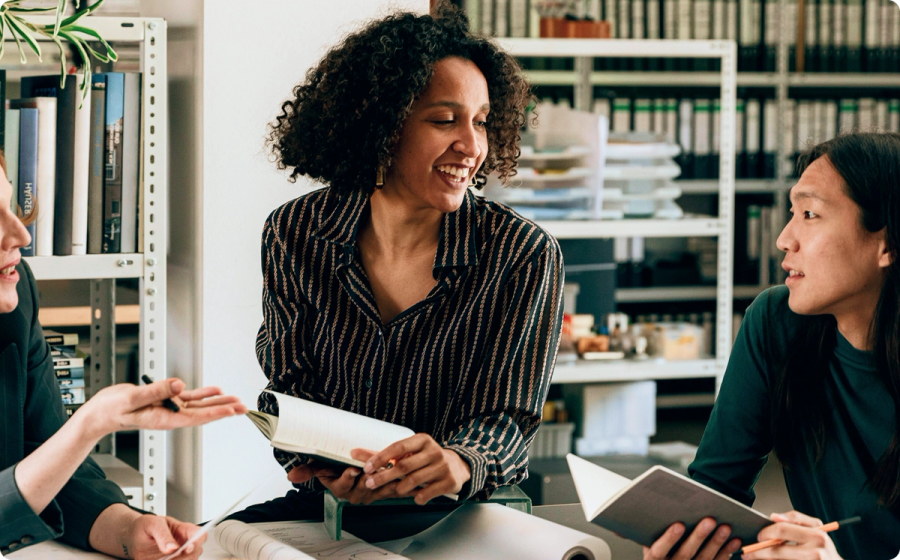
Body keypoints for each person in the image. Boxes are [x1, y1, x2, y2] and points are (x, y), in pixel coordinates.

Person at [240, 4, 563, 520]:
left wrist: (458, 462)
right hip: (330, 511)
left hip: (458, 518)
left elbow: (507, 416)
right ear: (381, 125)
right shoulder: (296, 232)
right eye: (444, 120)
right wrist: (314, 459)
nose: (472, 146)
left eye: (481, 123)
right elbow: (290, 381)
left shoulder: (521, 254)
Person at [644, 132, 900, 560]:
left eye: (811, 214)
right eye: (791, 213)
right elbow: (714, 493)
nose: (784, 238)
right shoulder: (776, 322)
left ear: (888, 243)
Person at [0, 148, 249, 559]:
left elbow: (49, 461)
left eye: (11, 206)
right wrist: (90, 425)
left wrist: (129, 528)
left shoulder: (17, 293)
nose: (22, 236)